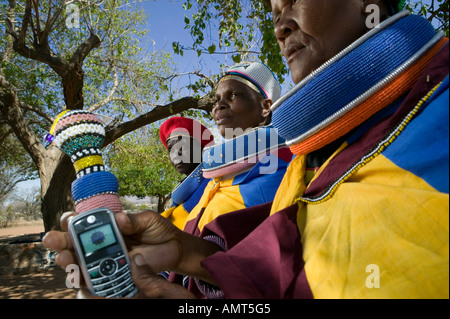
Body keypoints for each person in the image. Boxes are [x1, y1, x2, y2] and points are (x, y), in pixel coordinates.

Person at [44, 0, 449, 299]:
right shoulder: (308, 162)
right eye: (274, 13)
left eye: (292, 2)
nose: (279, 27)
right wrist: (186, 254)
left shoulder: (285, 163)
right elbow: (279, 276)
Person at [158, 116, 214, 229]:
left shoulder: (216, 182)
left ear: (201, 148)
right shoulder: (178, 196)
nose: (176, 154)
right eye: (170, 150)